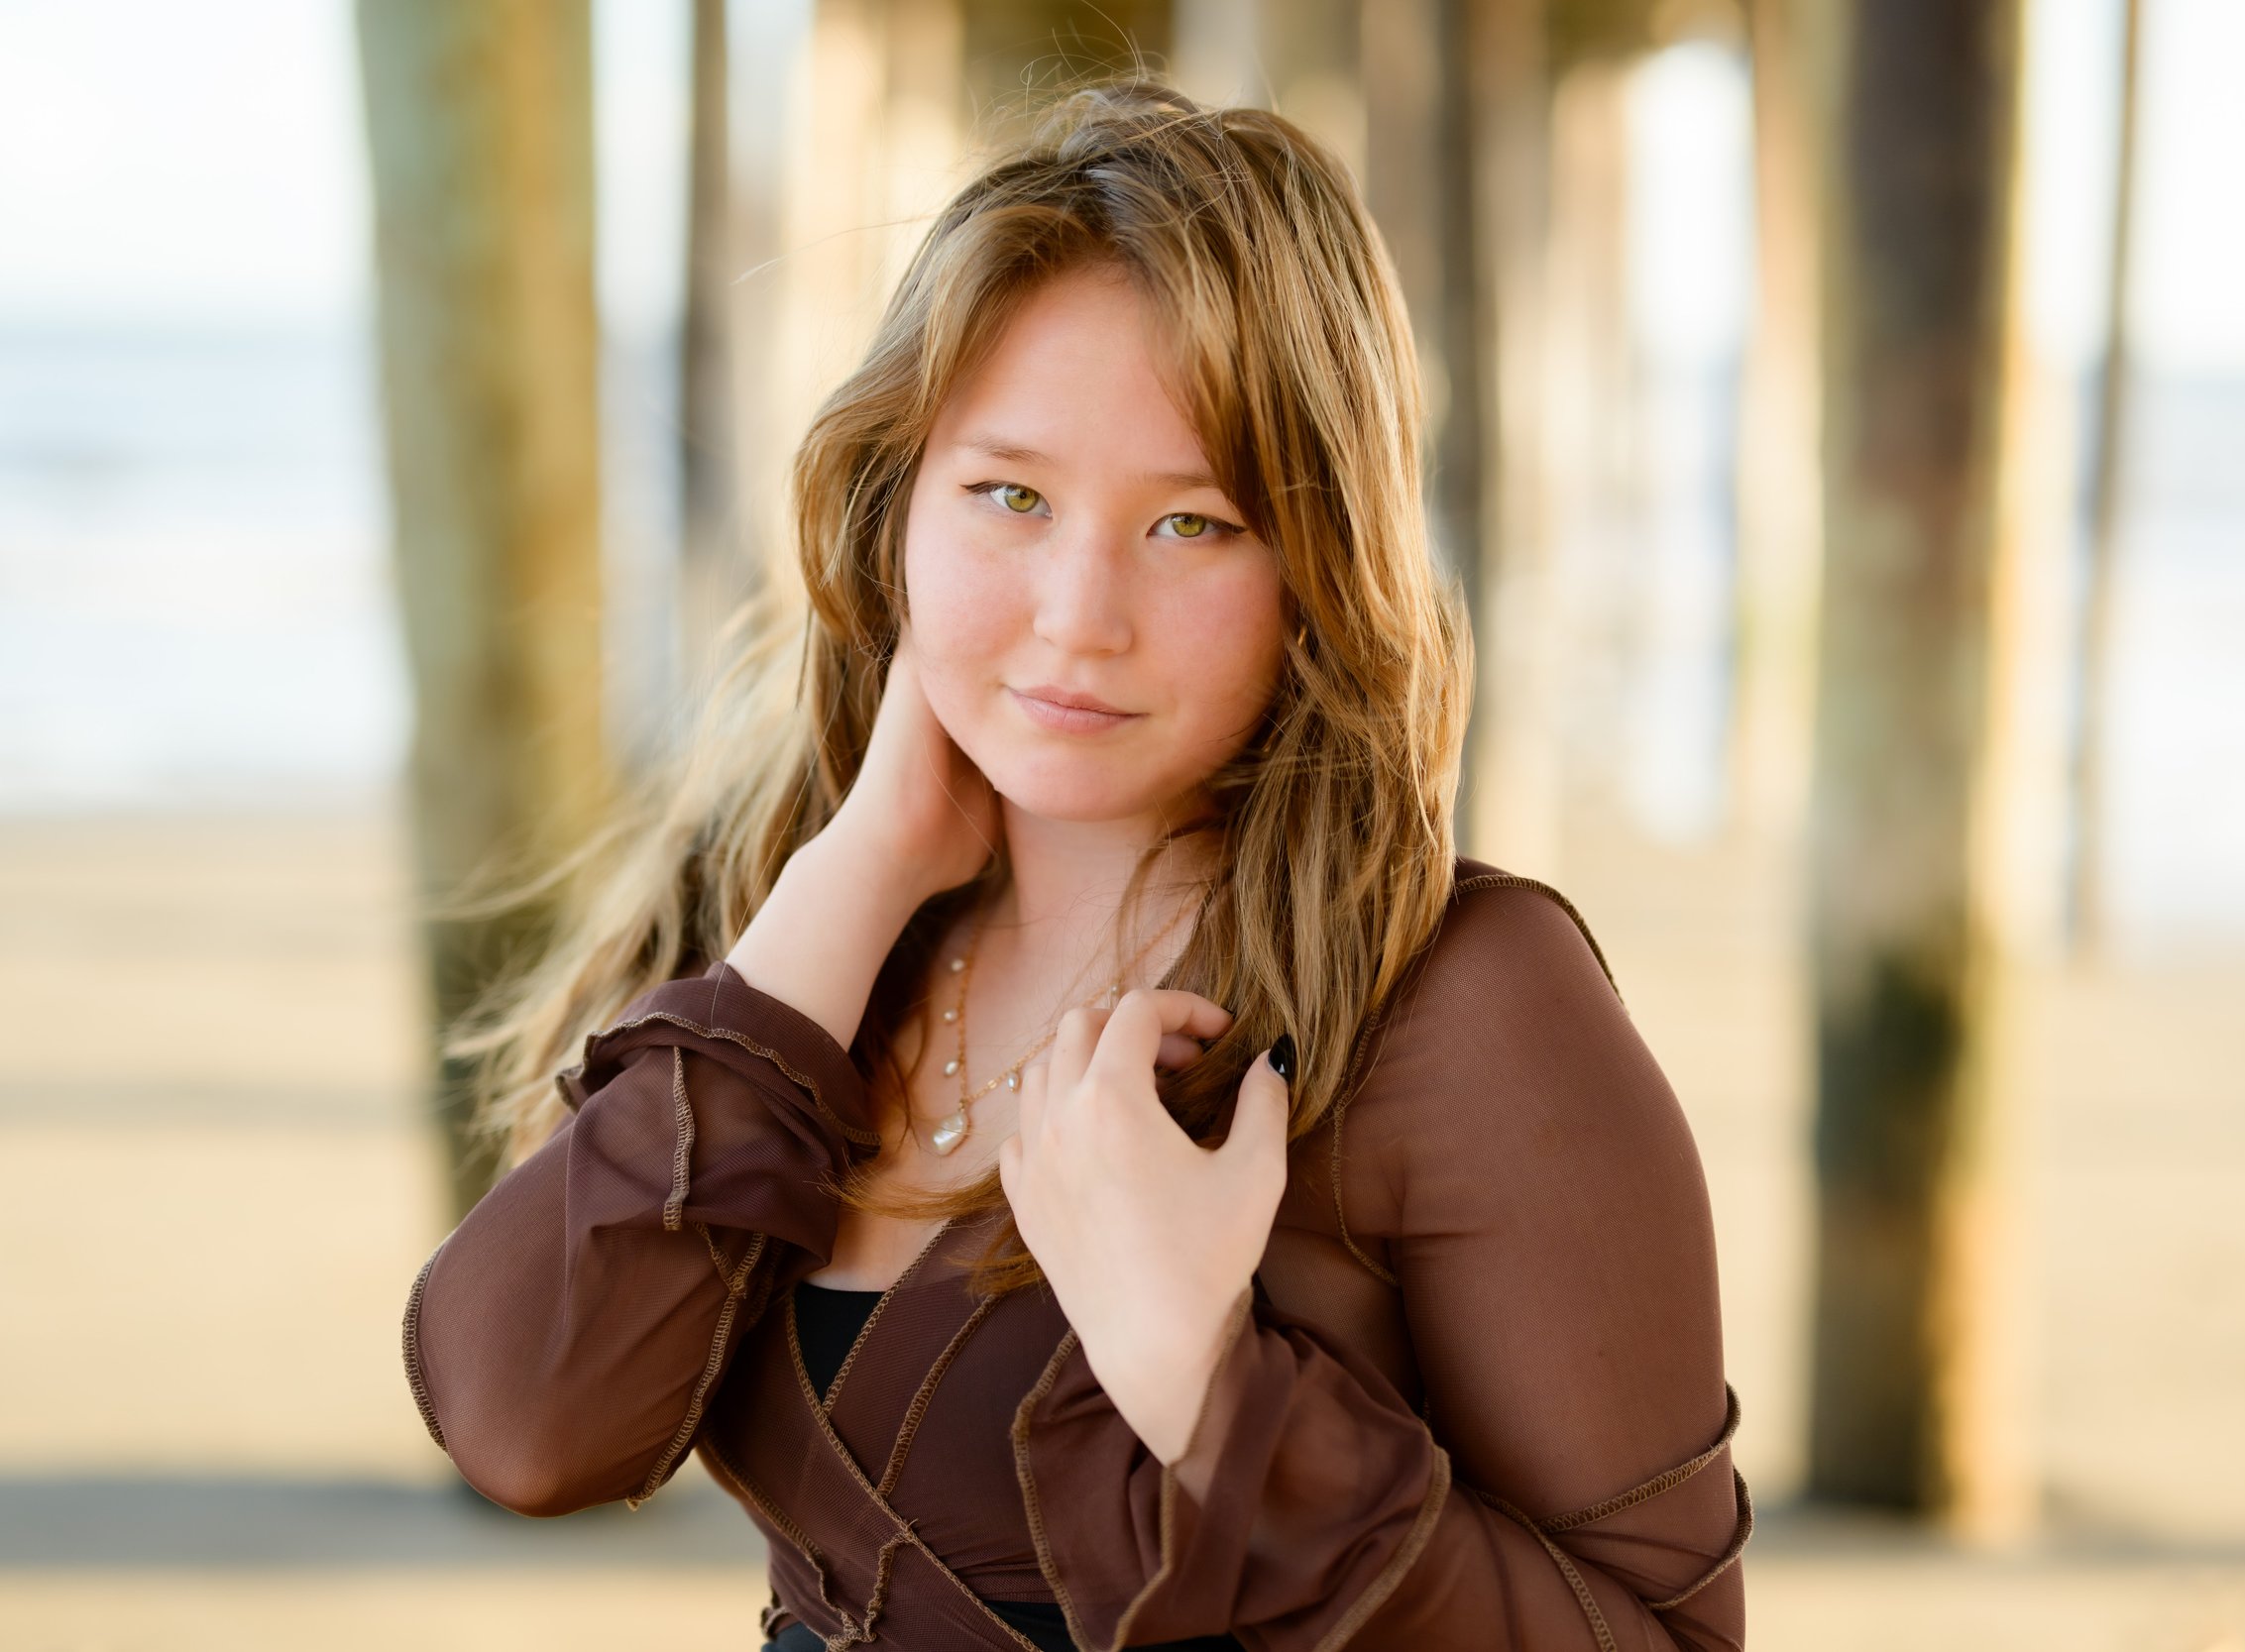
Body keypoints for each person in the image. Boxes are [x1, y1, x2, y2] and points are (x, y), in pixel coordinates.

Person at [402, 80, 1748, 1652]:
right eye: (1012, 497)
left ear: (1318, 568)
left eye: (1191, 526)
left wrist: (1207, 1384)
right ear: (894, 502)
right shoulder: (811, 930)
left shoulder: (1460, 1008)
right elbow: (529, 1422)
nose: (1076, 614)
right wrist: (871, 861)